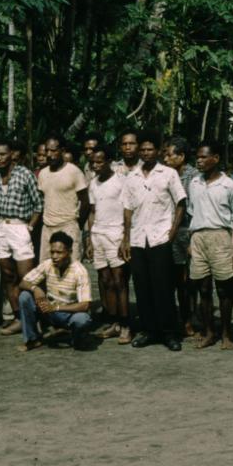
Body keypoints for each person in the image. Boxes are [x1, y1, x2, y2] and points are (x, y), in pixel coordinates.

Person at [120, 132, 186, 351]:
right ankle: (148, 330)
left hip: (160, 238)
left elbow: (180, 203)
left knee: (163, 287)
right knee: (142, 286)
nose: (146, 153)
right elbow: (128, 210)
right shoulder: (131, 177)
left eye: (151, 149)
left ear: (158, 151)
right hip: (139, 239)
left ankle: (169, 333)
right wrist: (126, 238)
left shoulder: (168, 174)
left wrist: (172, 233)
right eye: (143, 150)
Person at [187, 141, 233, 350]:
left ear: (215, 158)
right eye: (197, 157)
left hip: (221, 236)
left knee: (225, 288)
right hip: (199, 237)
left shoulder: (230, 186)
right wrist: (192, 240)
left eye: (203, 157)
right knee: (203, 287)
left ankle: (226, 333)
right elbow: (192, 212)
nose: (199, 161)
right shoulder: (194, 183)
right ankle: (209, 332)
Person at [0, 139, 43, 336]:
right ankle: (19, 318)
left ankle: (35, 319)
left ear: (11, 154)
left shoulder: (24, 174)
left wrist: (29, 227)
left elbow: (38, 204)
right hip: (0, 228)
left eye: (3, 154)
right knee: (8, 277)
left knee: (27, 277)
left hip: (19, 227)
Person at [16, 231, 94, 352]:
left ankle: (76, 338)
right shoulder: (48, 264)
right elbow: (23, 282)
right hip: (49, 311)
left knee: (82, 319)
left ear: (69, 252)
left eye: (59, 252)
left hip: (68, 313)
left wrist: (56, 308)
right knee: (25, 296)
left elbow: (85, 305)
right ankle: (32, 339)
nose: (54, 256)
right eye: (52, 252)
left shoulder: (80, 271)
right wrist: (35, 288)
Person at [85, 146, 131, 344]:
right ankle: (114, 322)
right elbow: (93, 211)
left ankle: (126, 325)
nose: (95, 166)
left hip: (116, 233)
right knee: (106, 280)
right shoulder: (93, 183)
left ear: (110, 161)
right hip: (98, 234)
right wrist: (89, 237)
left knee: (120, 281)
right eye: (93, 162)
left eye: (100, 161)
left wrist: (124, 238)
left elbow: (128, 211)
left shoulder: (121, 182)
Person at [164, 137, 199, 337]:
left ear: (182, 156)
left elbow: (193, 209)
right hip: (164, 232)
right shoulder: (163, 174)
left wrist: (191, 238)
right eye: (165, 155)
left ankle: (188, 319)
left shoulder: (193, 177)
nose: (166, 159)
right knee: (170, 279)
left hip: (184, 232)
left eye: (170, 155)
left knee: (186, 282)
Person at [37, 134, 89, 263]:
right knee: (47, 269)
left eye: (53, 150)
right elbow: (43, 200)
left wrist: (77, 224)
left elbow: (86, 201)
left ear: (62, 151)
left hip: (68, 227)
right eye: (47, 150)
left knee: (71, 269)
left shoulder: (74, 171)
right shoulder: (43, 173)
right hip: (48, 227)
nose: (49, 154)